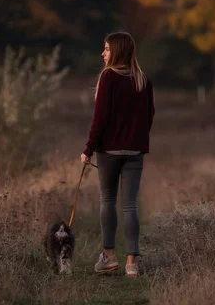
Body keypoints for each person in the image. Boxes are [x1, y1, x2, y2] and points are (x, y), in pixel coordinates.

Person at [81, 31, 155, 278]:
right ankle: (132, 264)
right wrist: (135, 137)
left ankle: (109, 257)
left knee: (108, 201)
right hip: (135, 151)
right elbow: (149, 116)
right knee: (131, 205)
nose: (103, 53)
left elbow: (100, 119)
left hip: (109, 151)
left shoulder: (108, 77)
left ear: (118, 52)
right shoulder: (143, 79)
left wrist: (88, 149)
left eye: (107, 49)